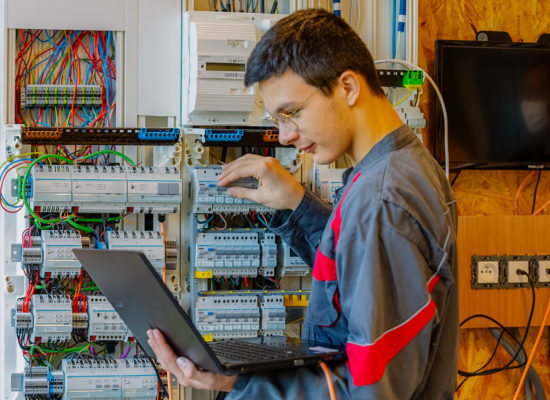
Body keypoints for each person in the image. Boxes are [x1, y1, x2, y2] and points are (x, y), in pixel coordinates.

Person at [147, 8, 458, 399]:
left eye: (291, 113)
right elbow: (355, 281)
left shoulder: (382, 201)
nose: (285, 135)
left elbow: (372, 391)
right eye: (278, 119)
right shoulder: (403, 166)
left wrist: (241, 382)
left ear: (347, 87)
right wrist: (297, 204)